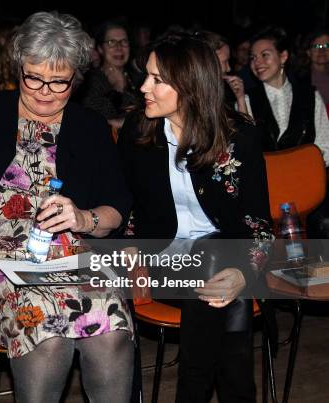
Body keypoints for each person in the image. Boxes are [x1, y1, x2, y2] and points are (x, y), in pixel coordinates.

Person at [0, 11, 135, 403]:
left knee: (111, 328)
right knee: (46, 336)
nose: (44, 91)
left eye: (58, 82)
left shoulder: (89, 127)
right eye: (34, 77)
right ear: (19, 68)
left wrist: (82, 218)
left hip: (67, 255)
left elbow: (117, 209)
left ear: (75, 80)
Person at [118, 33, 273, 402]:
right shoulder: (139, 132)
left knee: (217, 269)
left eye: (157, 79)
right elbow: (123, 204)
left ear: (188, 85)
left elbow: (258, 225)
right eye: (146, 76)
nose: (143, 87)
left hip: (221, 262)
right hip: (158, 262)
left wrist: (242, 273)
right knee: (214, 272)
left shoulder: (238, 137)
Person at [246, 26, 329, 162]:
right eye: (253, 57)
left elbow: (325, 144)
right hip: (265, 180)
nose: (257, 62)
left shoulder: (310, 95)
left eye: (265, 55)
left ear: (283, 56)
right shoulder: (247, 99)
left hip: (305, 177)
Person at [80, 19, 141, 130]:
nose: (119, 47)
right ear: (100, 49)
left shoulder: (139, 78)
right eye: (111, 42)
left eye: (124, 41)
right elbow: (94, 121)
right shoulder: (90, 81)